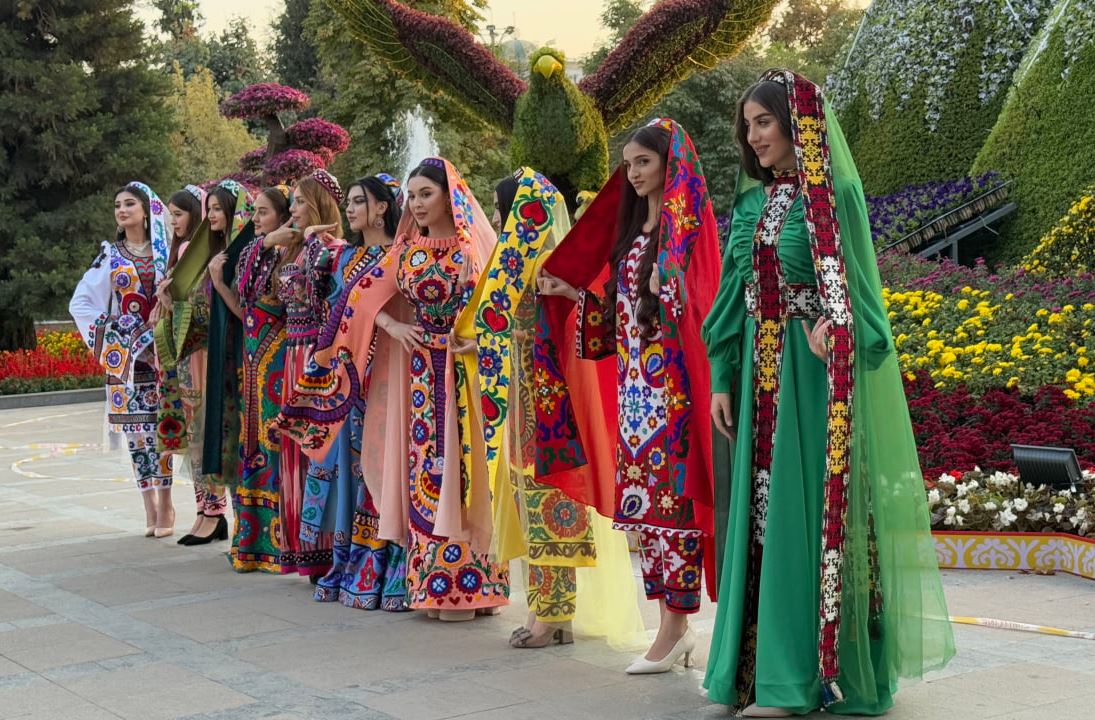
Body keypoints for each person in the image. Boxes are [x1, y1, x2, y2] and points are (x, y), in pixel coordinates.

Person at [701, 69, 955, 717]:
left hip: (812, 384)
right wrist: (722, 377)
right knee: (761, 519)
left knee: (801, 517)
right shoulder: (753, 205)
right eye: (747, 125)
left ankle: (796, 682)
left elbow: (861, 301)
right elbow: (732, 296)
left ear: (798, 125)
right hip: (758, 381)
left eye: (764, 121)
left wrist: (831, 326)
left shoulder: (834, 195)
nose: (753, 136)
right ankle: (753, 672)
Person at [282, 158, 510, 620]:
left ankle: (477, 586)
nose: (418, 203)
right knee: (426, 473)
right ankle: (434, 587)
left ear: (449, 196)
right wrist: (391, 324)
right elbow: (356, 298)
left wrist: (481, 341)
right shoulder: (406, 251)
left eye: (427, 193)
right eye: (414, 195)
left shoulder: (471, 249)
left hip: (464, 376)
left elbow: (500, 309)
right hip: (420, 378)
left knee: (467, 474)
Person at [535, 118, 720, 672]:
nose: (634, 173)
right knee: (644, 513)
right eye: (628, 164)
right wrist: (574, 294)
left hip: (674, 395)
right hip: (635, 396)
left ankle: (676, 626)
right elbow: (621, 319)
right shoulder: (636, 233)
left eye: (644, 161)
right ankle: (669, 625)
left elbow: (704, 301)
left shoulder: (688, 233)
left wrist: (673, 287)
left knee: (675, 511)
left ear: (669, 164)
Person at [293, 173, 411, 609]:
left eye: (360, 201)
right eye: (351, 201)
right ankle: (352, 561)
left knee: (384, 464)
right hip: (350, 378)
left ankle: (390, 564)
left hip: (389, 374)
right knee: (352, 468)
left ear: (382, 208)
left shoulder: (403, 255)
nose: (351, 209)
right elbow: (325, 308)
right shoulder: (344, 257)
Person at [70, 182, 174, 536]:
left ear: (146, 211)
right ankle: (149, 506)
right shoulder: (110, 255)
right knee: (136, 435)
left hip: (161, 354)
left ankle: (167, 504)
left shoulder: (165, 253)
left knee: (162, 429)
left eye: (129, 204)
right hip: (127, 360)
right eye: (117, 205)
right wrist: (120, 333)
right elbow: (81, 303)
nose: (122, 210)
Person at [154, 184, 233, 545]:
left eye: (180, 214)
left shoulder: (210, 254)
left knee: (206, 430)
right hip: (190, 354)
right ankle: (205, 511)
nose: (174, 221)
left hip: (206, 351)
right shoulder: (188, 253)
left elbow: (203, 305)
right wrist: (168, 301)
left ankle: (214, 512)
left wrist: (175, 302)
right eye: (171, 215)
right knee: (195, 431)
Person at [220, 184, 290, 572]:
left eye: (263, 212)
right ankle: (253, 543)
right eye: (254, 212)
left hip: (279, 362)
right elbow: (246, 304)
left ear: (283, 215)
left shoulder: (291, 253)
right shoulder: (259, 251)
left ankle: (280, 542)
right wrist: (218, 284)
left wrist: (270, 245)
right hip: (253, 363)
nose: (256, 220)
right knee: (253, 443)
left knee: (274, 442)